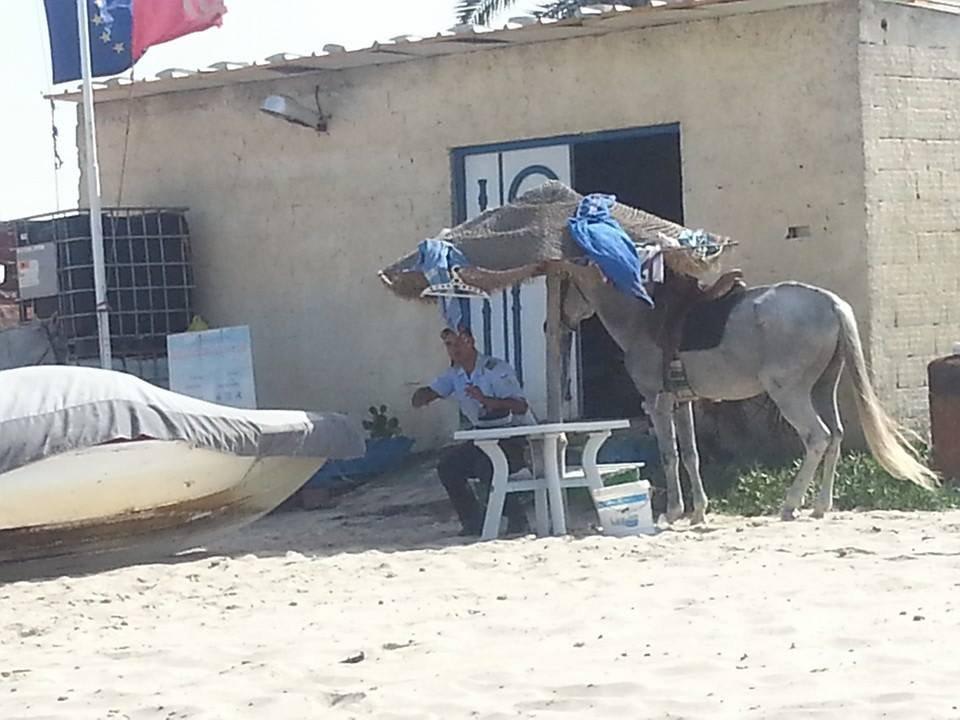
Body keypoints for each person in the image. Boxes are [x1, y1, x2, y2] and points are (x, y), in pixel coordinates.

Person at [412, 327, 532, 536]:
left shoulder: (495, 369)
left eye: (460, 342)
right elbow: (434, 391)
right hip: (482, 437)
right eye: (449, 344)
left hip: (515, 437)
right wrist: (422, 395)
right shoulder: (454, 374)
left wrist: (487, 401)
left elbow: (521, 406)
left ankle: (517, 518)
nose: (454, 348)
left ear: (471, 341)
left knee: (487, 465)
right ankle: (473, 521)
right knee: (448, 467)